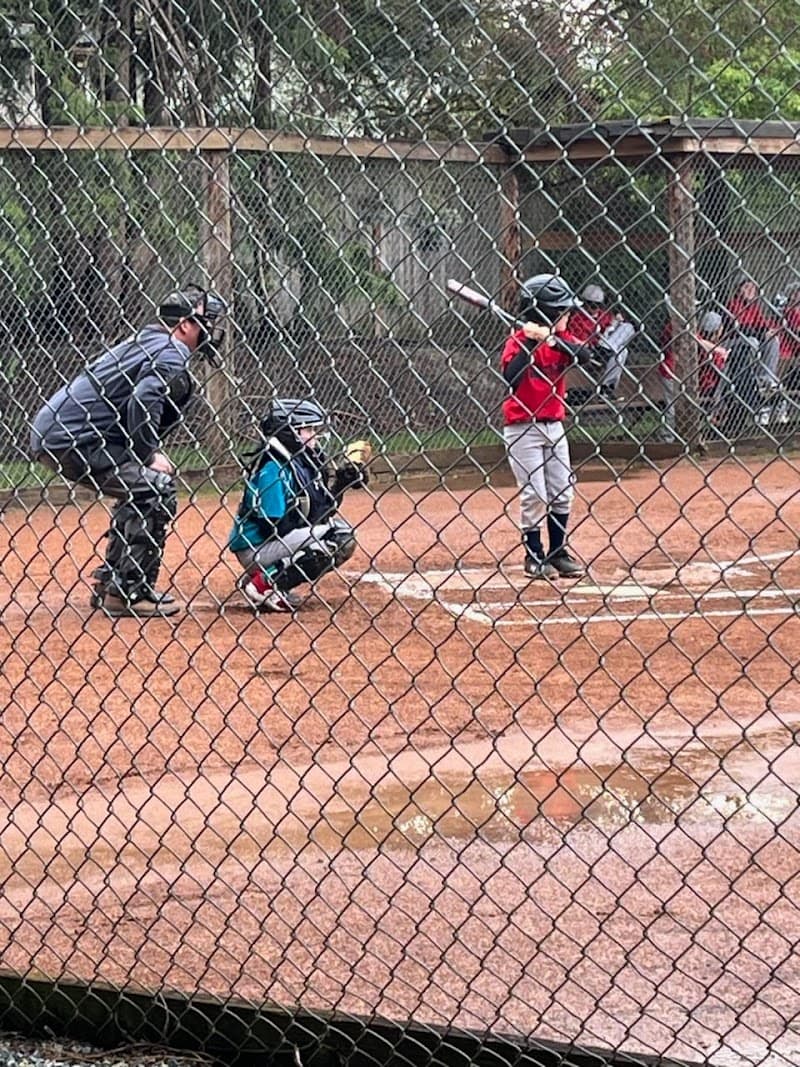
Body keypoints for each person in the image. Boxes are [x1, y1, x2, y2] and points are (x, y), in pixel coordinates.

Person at [30, 283, 228, 618]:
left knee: (140, 486)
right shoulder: (171, 350)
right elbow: (144, 399)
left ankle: (113, 583)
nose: (212, 329)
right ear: (184, 325)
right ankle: (127, 591)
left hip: (60, 433)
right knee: (156, 486)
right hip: (77, 438)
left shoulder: (148, 340)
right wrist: (148, 453)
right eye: (206, 321)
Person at [228, 398, 370, 612]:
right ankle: (264, 584)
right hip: (258, 547)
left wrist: (341, 484)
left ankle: (267, 578)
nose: (314, 436)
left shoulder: (298, 464)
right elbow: (274, 526)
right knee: (338, 537)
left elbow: (318, 514)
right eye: (307, 429)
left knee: (336, 531)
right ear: (288, 432)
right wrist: (312, 529)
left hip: (272, 543)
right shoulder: (272, 469)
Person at [500, 273, 594, 580]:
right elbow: (511, 379)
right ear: (547, 313)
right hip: (522, 428)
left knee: (563, 491)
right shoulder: (517, 342)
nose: (569, 315)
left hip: (554, 426)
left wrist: (552, 339)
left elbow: (587, 356)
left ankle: (558, 552)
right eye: (563, 311)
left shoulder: (561, 342)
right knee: (535, 494)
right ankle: (534, 555)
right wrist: (530, 341)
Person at [658, 310, 729, 440]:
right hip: (670, 371)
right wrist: (718, 350)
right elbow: (695, 340)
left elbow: (698, 340)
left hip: (684, 375)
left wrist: (717, 350)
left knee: (680, 408)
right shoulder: (674, 326)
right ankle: (667, 439)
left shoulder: (688, 326)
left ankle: (682, 438)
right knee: (672, 408)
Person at [566, 284, 636, 404]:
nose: (593, 308)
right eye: (590, 304)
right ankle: (604, 349)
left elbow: (613, 330)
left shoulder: (605, 315)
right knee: (619, 350)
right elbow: (578, 341)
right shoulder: (578, 318)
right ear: (585, 303)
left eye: (596, 305)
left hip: (605, 347)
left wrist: (617, 322)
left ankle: (605, 390)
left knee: (626, 334)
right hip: (589, 352)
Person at [725, 276, 781, 427]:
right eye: (746, 288)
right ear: (738, 290)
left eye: (753, 288)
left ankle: (766, 378)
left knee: (772, 340)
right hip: (732, 344)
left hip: (750, 342)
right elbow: (740, 329)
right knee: (753, 341)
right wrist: (761, 333)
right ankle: (753, 378)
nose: (751, 291)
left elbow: (761, 325)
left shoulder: (753, 306)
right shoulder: (734, 304)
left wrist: (769, 332)